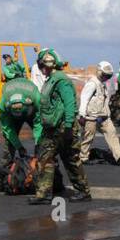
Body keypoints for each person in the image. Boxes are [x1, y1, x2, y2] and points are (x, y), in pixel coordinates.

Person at [30, 48, 91, 205]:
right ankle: (43, 194)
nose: (42, 68)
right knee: (45, 158)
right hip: (52, 128)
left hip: (63, 127)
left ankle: (83, 191)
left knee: (70, 159)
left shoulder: (61, 80)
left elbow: (70, 103)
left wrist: (69, 126)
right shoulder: (51, 79)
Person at [0, 60, 42, 182]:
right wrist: (19, 146)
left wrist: (38, 143)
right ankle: (5, 176)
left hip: (31, 112)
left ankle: (45, 175)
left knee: (44, 143)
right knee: (9, 143)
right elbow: (8, 129)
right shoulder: (3, 105)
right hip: (14, 113)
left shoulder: (35, 97)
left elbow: (39, 122)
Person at [78, 61, 120, 164]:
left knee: (112, 133)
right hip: (91, 116)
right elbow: (84, 98)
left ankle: (119, 156)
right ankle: (83, 157)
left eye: (108, 76)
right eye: (105, 75)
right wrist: (82, 115)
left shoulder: (102, 84)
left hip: (104, 116)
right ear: (99, 72)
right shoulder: (92, 84)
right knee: (88, 137)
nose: (106, 77)